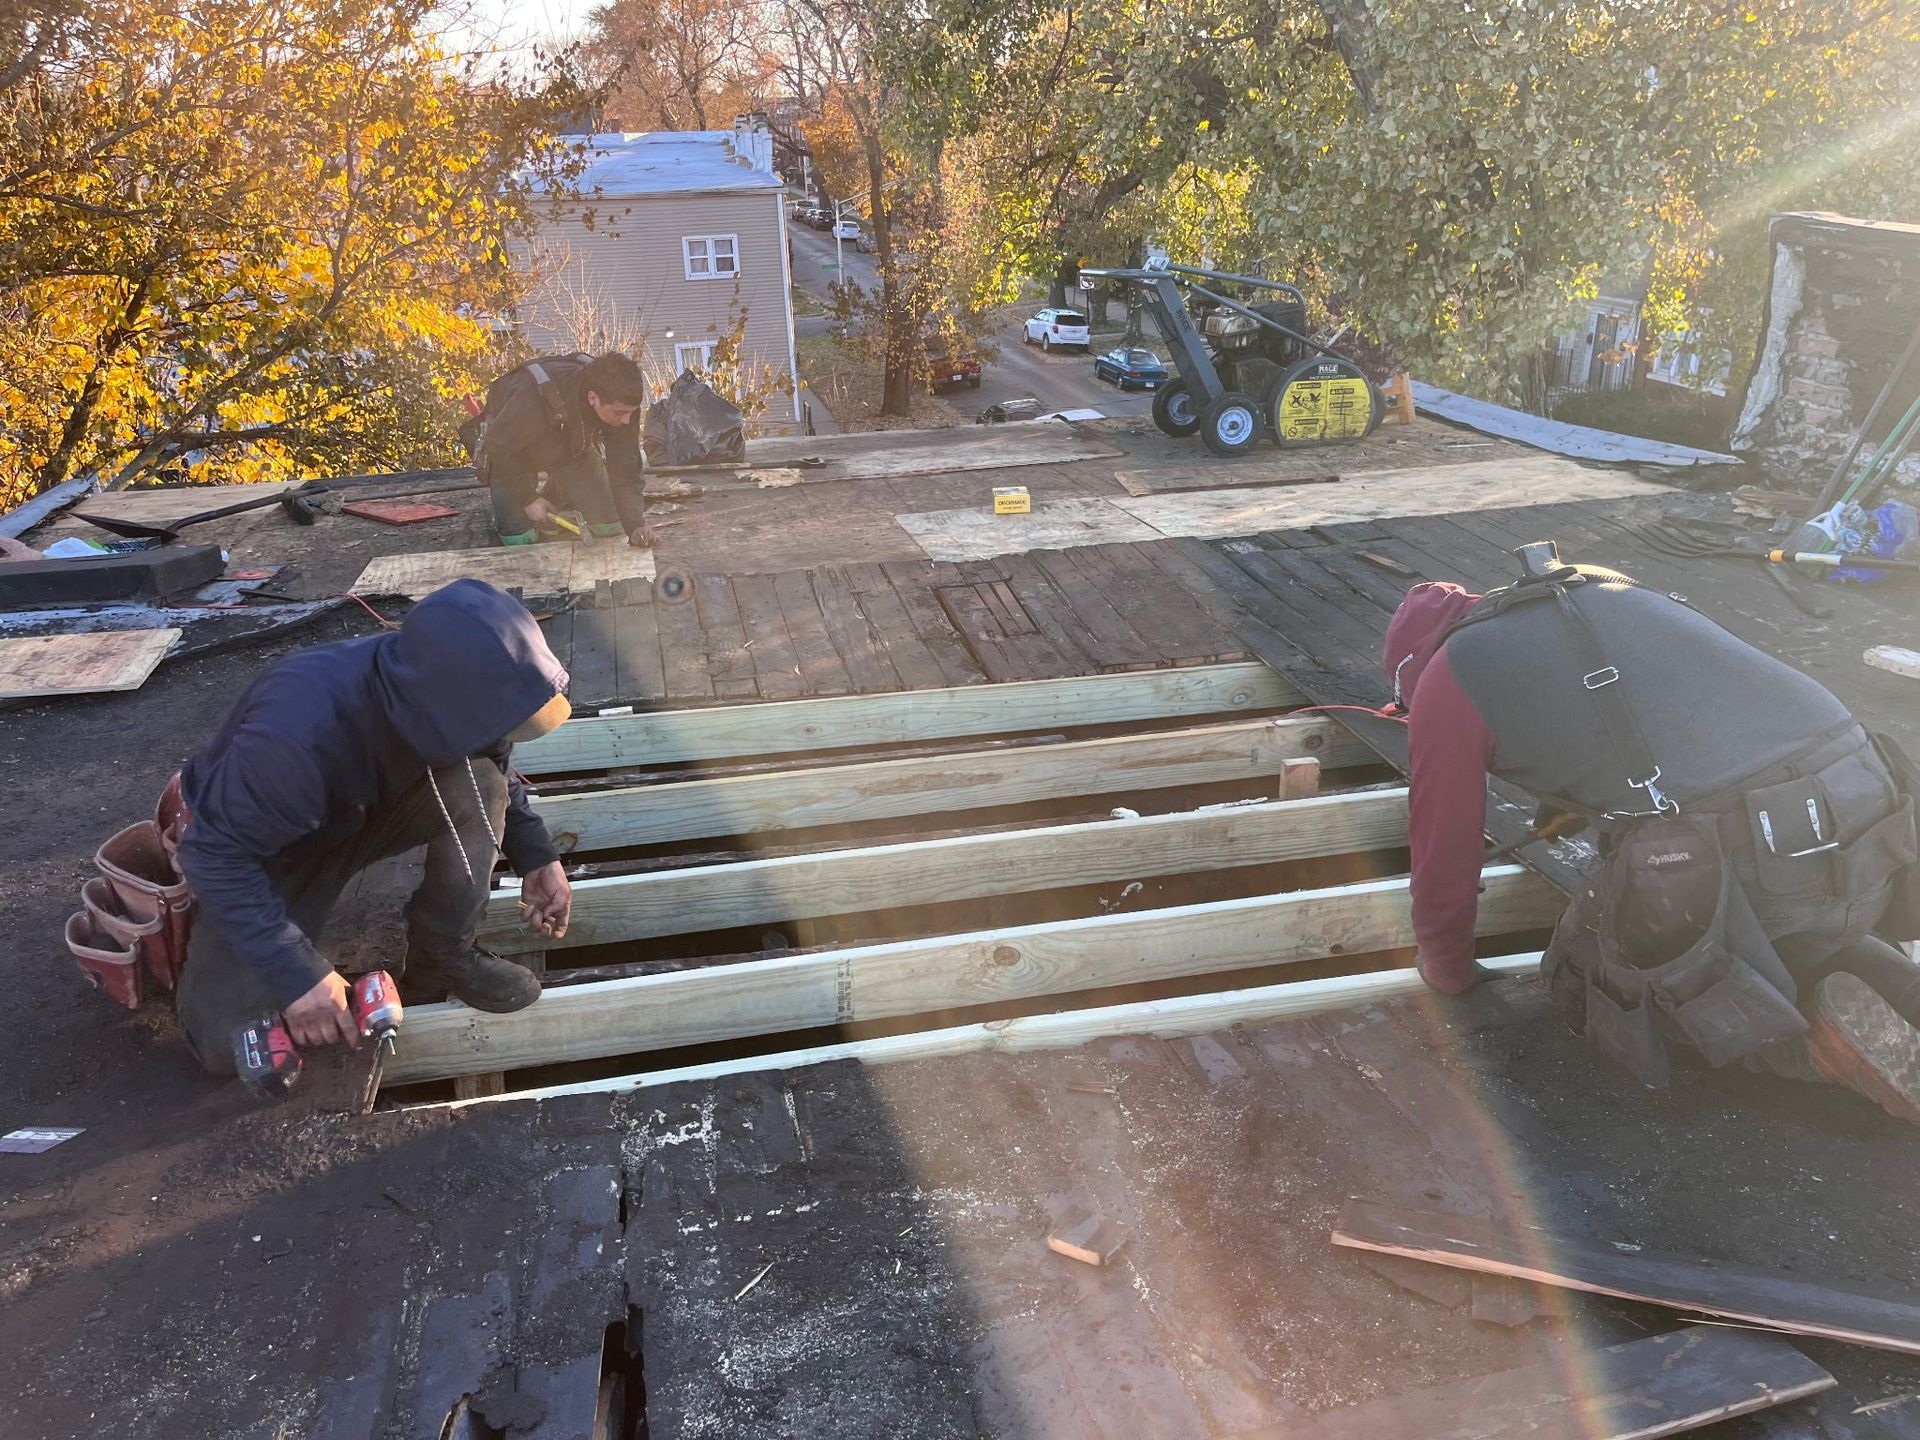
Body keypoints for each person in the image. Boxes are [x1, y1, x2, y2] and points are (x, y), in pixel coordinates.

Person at [1383, 546, 1920, 1121]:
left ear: (1410, 669)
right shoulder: (1590, 586)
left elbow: (1445, 849)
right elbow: (1657, 709)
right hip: (1872, 801)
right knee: (1799, 928)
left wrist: (1446, 967)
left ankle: (1814, 1049)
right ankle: (1902, 993)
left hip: (1759, 837)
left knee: (1587, 982)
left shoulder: (1445, 678)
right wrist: (1571, 799)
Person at [171, 580, 575, 1073]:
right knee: (224, 1044)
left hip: (361, 809)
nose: (500, 736)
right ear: (442, 713)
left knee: (482, 785)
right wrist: (298, 975)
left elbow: (492, 760)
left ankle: (442, 953)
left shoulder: (443, 689)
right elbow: (213, 855)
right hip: (279, 847)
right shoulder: (296, 739)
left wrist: (536, 854)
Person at [477, 351, 647, 547]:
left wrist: (635, 526)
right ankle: (514, 511)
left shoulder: (623, 404)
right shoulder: (530, 399)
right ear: (593, 399)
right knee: (521, 539)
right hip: (511, 451)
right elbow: (498, 445)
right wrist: (528, 498)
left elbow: (626, 465)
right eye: (620, 414)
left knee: (610, 525)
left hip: (570, 447)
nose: (626, 420)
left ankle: (553, 497)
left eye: (631, 413)